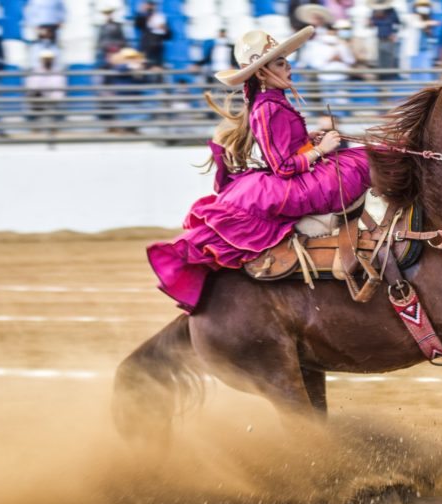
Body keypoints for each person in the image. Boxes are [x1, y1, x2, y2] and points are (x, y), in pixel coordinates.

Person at [146, 27, 371, 311]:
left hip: (290, 180)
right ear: (262, 74)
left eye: (285, 60)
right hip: (292, 185)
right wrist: (321, 150)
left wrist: (306, 140)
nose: (288, 65)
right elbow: (283, 167)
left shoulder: (273, 102)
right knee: (364, 161)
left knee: (363, 159)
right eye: (279, 62)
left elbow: (286, 150)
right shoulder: (268, 108)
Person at [25, 50, 66, 132]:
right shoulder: (35, 71)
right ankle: (36, 127)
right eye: (45, 59)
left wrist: (52, 97)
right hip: (40, 98)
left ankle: (52, 127)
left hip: (53, 98)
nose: (47, 61)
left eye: (49, 59)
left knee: (53, 104)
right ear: (41, 60)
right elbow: (32, 87)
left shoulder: (58, 72)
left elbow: (60, 89)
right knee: (35, 99)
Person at [135, 1, 172, 69]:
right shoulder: (143, 17)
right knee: (146, 66)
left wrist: (164, 28)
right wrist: (141, 12)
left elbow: (169, 35)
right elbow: (138, 25)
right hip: (146, 47)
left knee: (158, 67)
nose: (151, 7)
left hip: (158, 46)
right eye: (149, 5)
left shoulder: (161, 17)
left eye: (152, 5)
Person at [369, 0, 401, 79]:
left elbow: (397, 23)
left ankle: (389, 79)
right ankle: (381, 79)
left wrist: (394, 33)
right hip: (379, 38)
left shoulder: (392, 11)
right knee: (380, 60)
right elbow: (372, 23)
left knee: (389, 60)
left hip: (389, 39)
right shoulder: (374, 10)